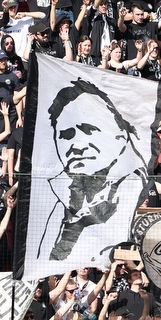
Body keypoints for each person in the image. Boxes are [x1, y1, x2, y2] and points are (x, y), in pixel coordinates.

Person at [34, 78, 151, 266]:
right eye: (66, 135)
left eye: (89, 130)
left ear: (121, 135)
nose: (76, 146)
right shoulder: (57, 195)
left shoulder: (133, 189)